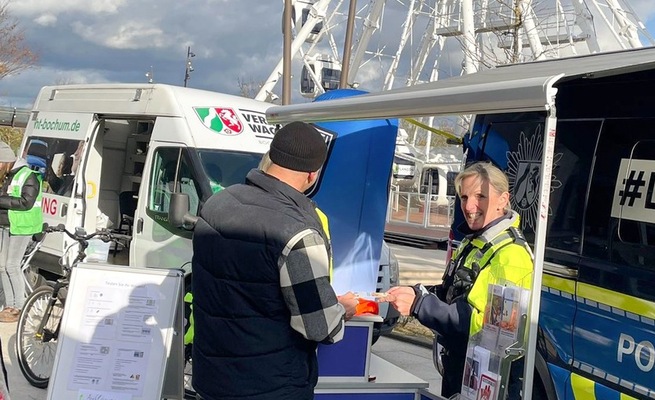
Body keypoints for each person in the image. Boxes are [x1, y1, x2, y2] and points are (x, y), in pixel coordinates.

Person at [191, 121, 358, 400]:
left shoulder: (216, 205)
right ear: (312, 174)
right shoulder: (298, 231)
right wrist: (342, 310)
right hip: (270, 386)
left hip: (211, 380)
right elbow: (319, 326)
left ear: (271, 156)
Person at [380, 162, 533, 399]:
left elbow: (485, 328)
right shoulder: (477, 241)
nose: (469, 206)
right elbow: (452, 293)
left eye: (480, 196)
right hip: (464, 371)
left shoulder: (510, 254)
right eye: (464, 197)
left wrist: (420, 305)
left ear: (503, 200)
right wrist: (416, 293)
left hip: (488, 382)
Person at [0, 141, 44, 323]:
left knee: (12, 265)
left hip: (22, 227)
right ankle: (10, 306)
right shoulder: (8, 175)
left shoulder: (30, 176)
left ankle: (19, 307)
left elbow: (25, 203)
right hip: (6, 225)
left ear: (6, 161)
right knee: (2, 267)